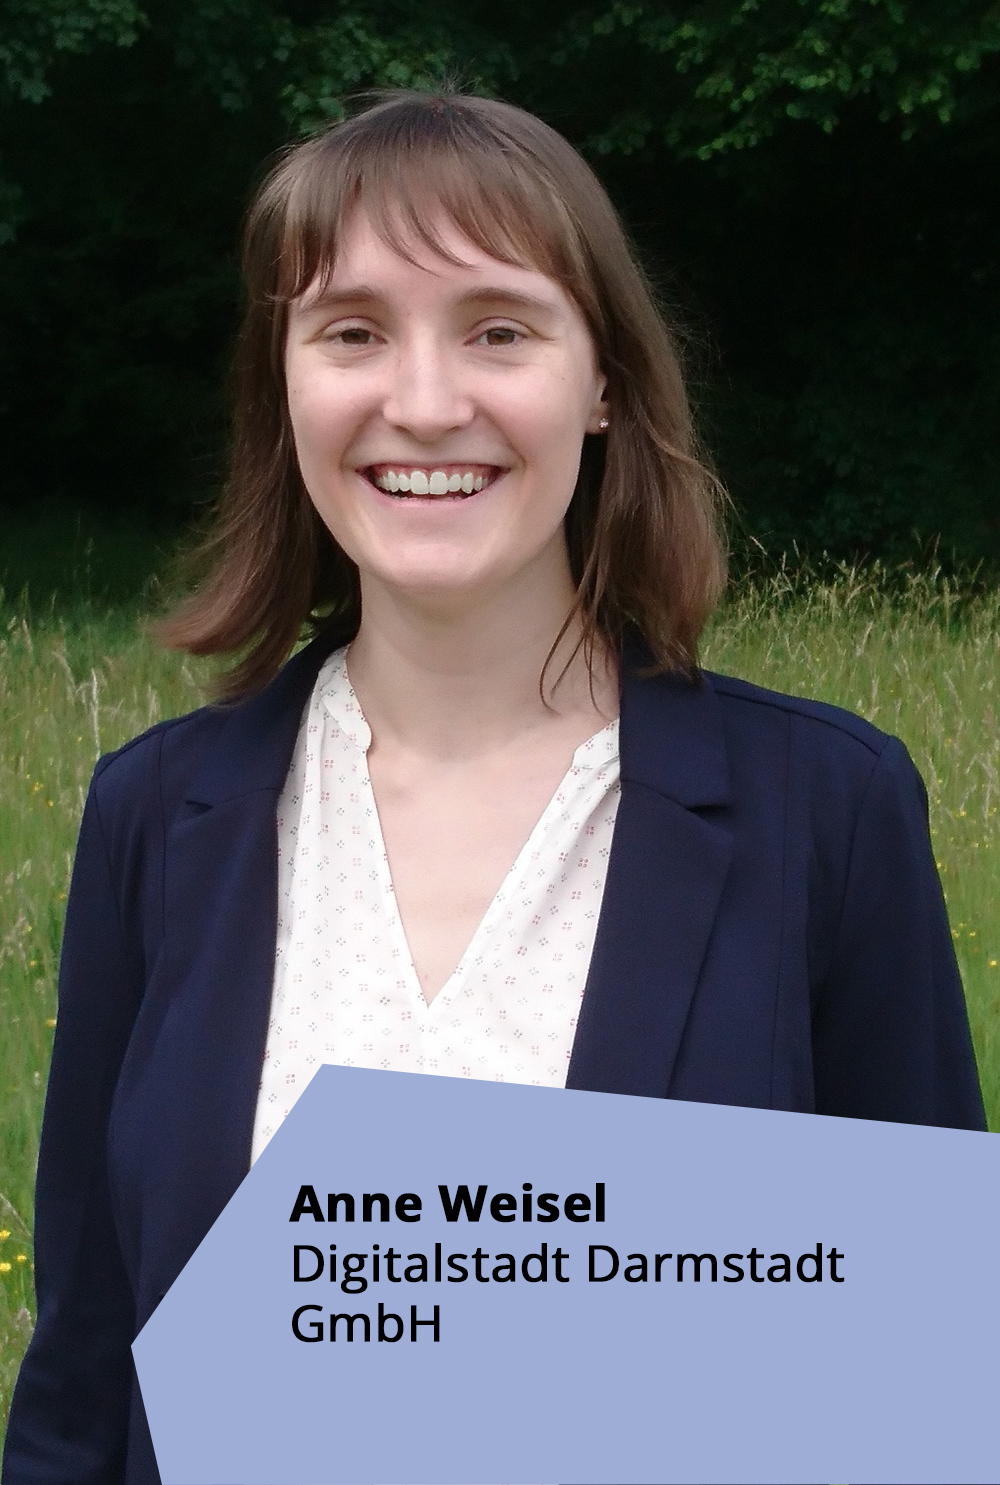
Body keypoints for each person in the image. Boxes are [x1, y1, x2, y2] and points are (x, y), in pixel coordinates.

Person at [2, 91, 986, 1485]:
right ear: (282, 383)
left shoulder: (825, 809)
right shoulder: (156, 818)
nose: (422, 400)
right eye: (351, 330)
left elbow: (925, 1388)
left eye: (498, 329)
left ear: (602, 383)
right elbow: (87, 1389)